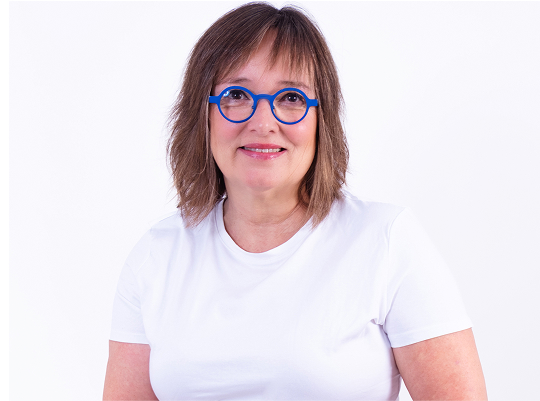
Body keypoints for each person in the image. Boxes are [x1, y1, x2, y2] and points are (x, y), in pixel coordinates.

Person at [103, 3, 487, 400]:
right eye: (236, 95)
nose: (263, 122)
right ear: (203, 114)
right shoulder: (157, 255)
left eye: (291, 97)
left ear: (322, 119)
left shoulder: (386, 242)